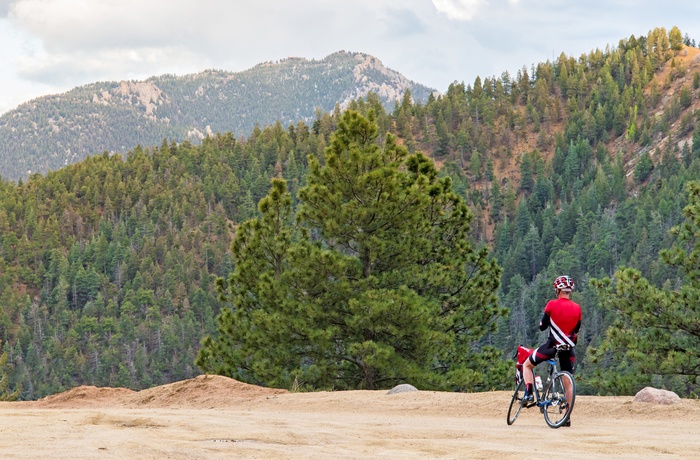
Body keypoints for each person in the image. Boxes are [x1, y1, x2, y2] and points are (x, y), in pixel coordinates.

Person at [522, 275, 581, 427]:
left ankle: (528, 393)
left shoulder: (551, 304)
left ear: (557, 289)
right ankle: (567, 416)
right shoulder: (577, 308)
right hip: (568, 348)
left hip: (551, 346)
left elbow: (542, 326)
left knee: (527, 365)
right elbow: (577, 329)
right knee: (567, 381)